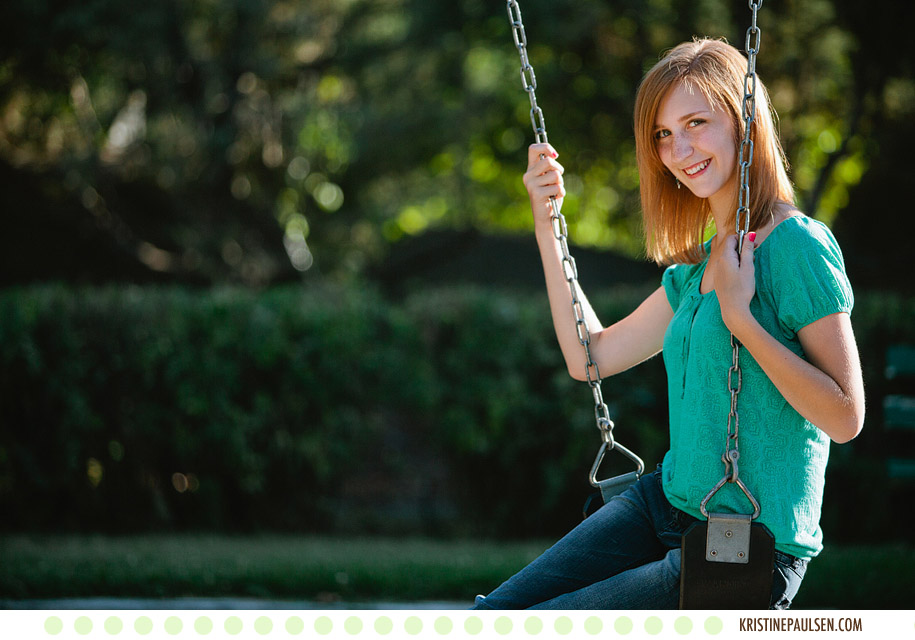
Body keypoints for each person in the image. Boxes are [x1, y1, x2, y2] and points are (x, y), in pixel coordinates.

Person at [471, 38, 865, 610]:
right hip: (664, 505)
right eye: (663, 134)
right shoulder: (700, 269)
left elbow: (846, 416)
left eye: (696, 123)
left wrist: (741, 318)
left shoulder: (797, 248)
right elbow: (592, 356)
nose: (679, 149)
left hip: (749, 549)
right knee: (492, 618)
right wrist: (546, 225)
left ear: (742, 121)